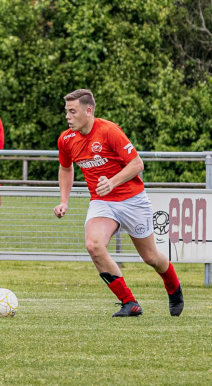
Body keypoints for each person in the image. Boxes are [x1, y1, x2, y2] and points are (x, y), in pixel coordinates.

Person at [53, 89, 185, 317]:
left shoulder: (109, 131)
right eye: (66, 111)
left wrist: (112, 182)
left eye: (72, 111)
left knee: (151, 257)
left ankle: (173, 287)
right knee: (93, 245)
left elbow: (137, 164)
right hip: (102, 202)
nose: (68, 117)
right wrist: (64, 201)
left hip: (132, 201)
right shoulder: (66, 139)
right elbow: (66, 168)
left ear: (88, 110)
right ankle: (129, 303)